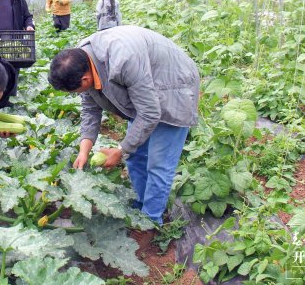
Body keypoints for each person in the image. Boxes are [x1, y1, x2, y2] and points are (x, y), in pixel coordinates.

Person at [47, 26, 200, 224]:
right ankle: (140, 206)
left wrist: (120, 150)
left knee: (158, 163)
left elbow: (150, 112)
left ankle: (151, 221)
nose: (77, 95)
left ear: (85, 79)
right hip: (145, 91)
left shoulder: (123, 60)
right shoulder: (80, 60)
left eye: (76, 91)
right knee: (135, 156)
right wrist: (84, 150)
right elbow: (90, 109)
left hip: (173, 86)